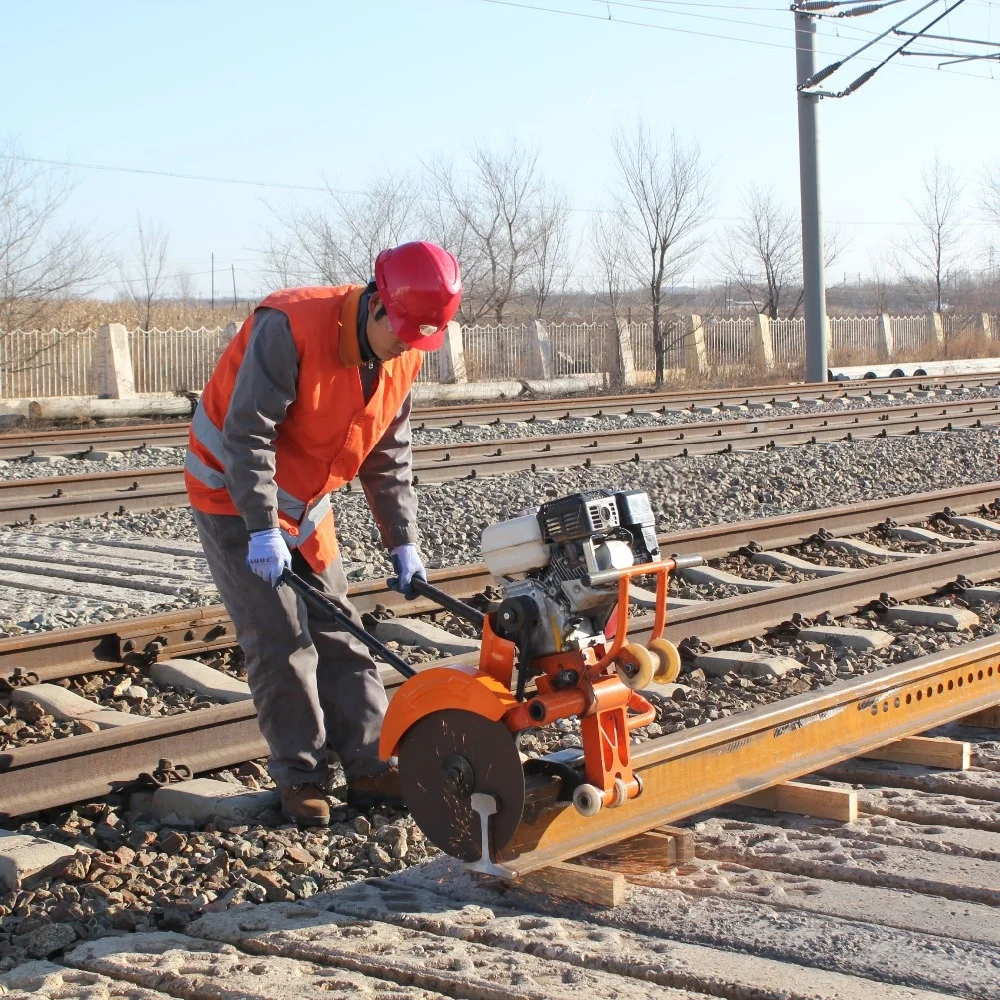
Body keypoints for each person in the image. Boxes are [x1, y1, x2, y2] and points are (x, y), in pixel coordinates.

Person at [184, 241, 462, 827]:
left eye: (419, 338)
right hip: (234, 494)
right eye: (402, 333)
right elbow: (247, 435)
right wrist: (263, 528)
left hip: (306, 502)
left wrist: (402, 539)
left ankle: (369, 765)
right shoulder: (289, 326)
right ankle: (301, 777)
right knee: (281, 641)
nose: (408, 346)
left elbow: (387, 455)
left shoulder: (404, 355)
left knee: (343, 631)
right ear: (377, 304)